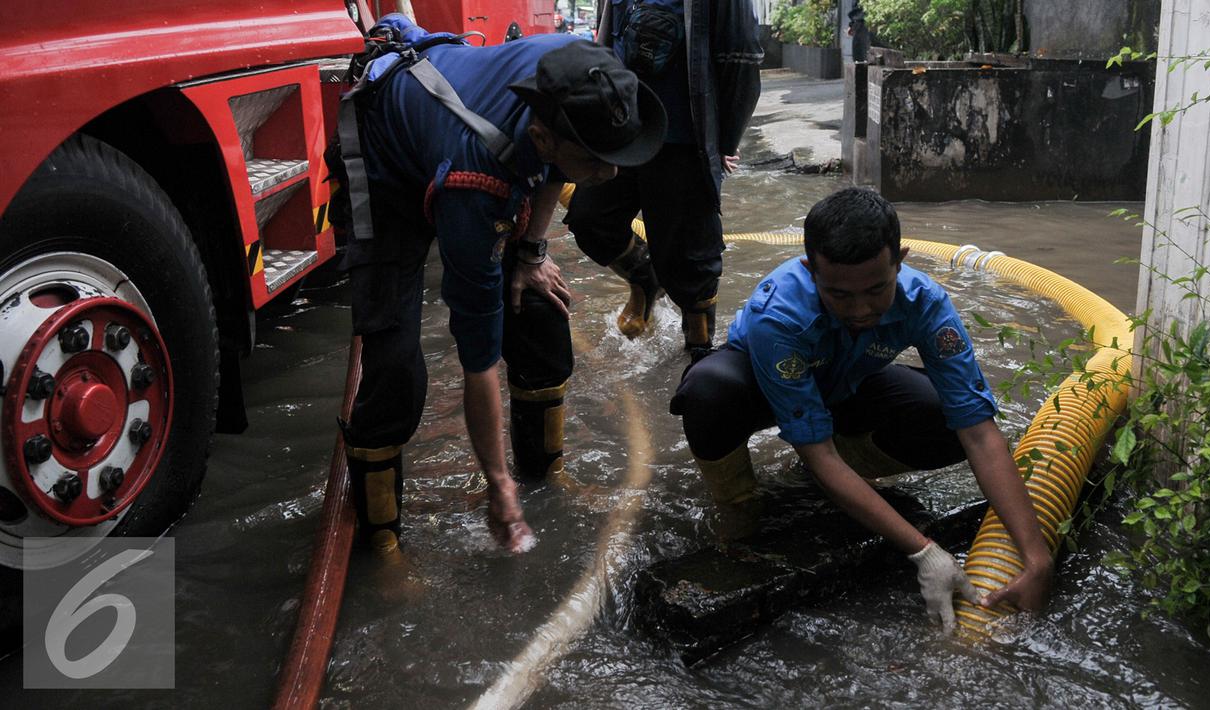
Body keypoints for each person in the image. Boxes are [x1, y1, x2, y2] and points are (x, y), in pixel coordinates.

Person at [337, 17, 667, 554]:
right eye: (595, 161)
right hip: (387, 169)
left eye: (615, 156)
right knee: (394, 365)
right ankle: (383, 546)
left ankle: (546, 476)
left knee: (539, 312)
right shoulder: (477, 186)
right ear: (542, 137)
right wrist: (498, 486)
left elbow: (555, 166)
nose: (609, 175)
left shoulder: (580, 73)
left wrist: (532, 253)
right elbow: (478, 360)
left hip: (476, 145)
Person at [670, 188, 1053, 631]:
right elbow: (820, 452)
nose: (861, 310)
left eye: (877, 289)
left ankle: (842, 477)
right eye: (839, 295)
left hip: (846, 386)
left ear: (901, 260)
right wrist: (925, 552)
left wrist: (1036, 558)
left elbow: (980, 433)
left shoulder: (926, 303)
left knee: (945, 419)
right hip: (759, 389)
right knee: (707, 392)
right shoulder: (779, 316)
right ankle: (739, 507)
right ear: (812, 271)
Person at [564, 0, 763, 361]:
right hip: (621, 130)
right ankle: (645, 278)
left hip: (684, 139)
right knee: (589, 219)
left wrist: (725, 139)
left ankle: (699, 352)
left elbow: (742, 59)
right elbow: (607, 43)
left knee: (691, 259)